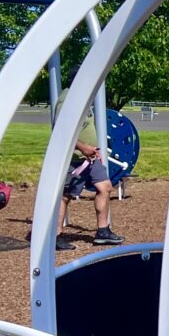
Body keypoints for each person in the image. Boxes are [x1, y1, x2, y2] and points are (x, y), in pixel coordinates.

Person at [53, 66, 124, 251]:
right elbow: (62, 131)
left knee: (105, 187)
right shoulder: (66, 101)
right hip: (73, 158)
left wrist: (92, 149)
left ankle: (103, 231)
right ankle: (56, 236)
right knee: (65, 196)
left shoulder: (82, 99)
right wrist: (84, 148)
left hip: (91, 157)